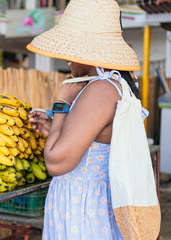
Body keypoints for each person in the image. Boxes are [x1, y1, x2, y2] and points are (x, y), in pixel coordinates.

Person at [27, 0, 144, 239]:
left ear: (89, 50)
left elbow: (56, 163)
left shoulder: (101, 89)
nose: (67, 58)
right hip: (91, 208)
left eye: (72, 48)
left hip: (85, 213)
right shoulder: (113, 85)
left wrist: (62, 103)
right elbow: (93, 143)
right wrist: (55, 127)